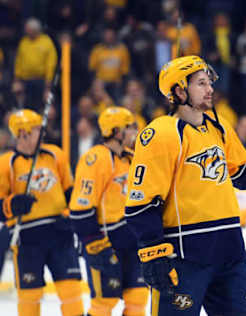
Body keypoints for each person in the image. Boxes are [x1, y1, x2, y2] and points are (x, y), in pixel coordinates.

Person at [124, 55, 246, 315]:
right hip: (184, 257)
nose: (210, 89)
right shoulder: (161, 133)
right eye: (201, 83)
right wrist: (152, 252)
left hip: (229, 252)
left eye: (209, 83)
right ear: (180, 91)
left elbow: (243, 171)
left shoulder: (218, 128)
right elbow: (141, 201)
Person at [0, 109, 83, 316]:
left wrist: (68, 214)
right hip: (27, 238)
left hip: (60, 234)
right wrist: (13, 204)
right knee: (30, 297)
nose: (42, 133)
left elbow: (72, 193)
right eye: (38, 129)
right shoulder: (6, 163)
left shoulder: (56, 154)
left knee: (71, 291)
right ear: (23, 133)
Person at [69, 107, 147, 316]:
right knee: (105, 301)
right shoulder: (95, 159)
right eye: (131, 127)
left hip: (132, 241)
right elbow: (80, 208)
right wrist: (94, 244)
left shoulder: (132, 158)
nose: (135, 132)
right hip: (105, 242)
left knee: (138, 299)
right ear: (117, 131)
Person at [14, 18, 58, 108]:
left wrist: (48, 82)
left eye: (28, 30)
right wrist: (16, 79)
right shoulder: (24, 42)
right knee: (25, 105)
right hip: (25, 81)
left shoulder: (47, 42)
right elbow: (18, 61)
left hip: (41, 81)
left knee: (40, 105)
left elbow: (51, 63)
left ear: (35, 30)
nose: (26, 31)